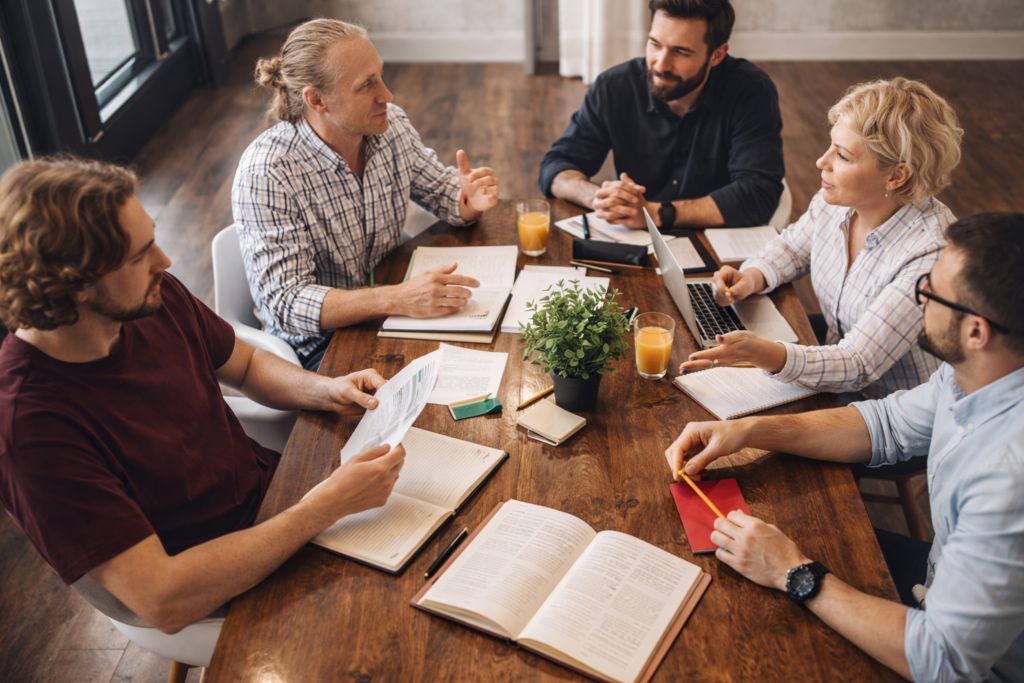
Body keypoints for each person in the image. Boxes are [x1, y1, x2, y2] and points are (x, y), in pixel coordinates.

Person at [0, 157, 407, 635]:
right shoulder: (31, 427)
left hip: (276, 501)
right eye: (138, 256)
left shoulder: (151, 299)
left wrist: (326, 389)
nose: (164, 262)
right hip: (214, 586)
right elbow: (164, 599)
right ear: (77, 285)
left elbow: (247, 364)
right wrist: (323, 508)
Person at [665, 212, 1024, 683]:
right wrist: (749, 431)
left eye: (931, 292)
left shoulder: (1008, 478)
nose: (919, 297)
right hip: (941, 579)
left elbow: (943, 661)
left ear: (976, 332)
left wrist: (795, 572)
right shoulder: (977, 374)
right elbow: (886, 424)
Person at [232, 19, 500, 370]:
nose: (386, 95)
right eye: (366, 85)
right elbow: (287, 304)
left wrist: (467, 201)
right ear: (316, 100)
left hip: (391, 310)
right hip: (316, 350)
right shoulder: (267, 174)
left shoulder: (389, 126)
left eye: (380, 75)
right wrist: (399, 298)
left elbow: (442, 192)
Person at [681, 77, 964, 404]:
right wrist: (753, 275)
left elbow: (858, 363)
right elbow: (792, 248)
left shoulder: (929, 254)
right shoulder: (841, 200)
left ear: (897, 175)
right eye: (831, 145)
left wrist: (766, 355)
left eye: (842, 156)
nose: (822, 162)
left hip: (890, 411)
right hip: (835, 367)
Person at [538, 0, 784, 230]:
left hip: (717, 244)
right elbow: (556, 168)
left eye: (681, 52)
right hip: (633, 238)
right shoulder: (614, 87)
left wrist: (654, 213)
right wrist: (603, 199)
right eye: (655, 44)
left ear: (717, 55)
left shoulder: (751, 91)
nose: (660, 64)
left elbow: (758, 195)